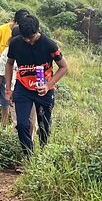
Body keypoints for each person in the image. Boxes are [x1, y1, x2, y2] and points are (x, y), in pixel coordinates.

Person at [4, 14, 68, 155]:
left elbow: (64, 67)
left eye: (31, 38)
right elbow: (9, 64)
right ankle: (29, 156)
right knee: (21, 125)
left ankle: (44, 154)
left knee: (44, 125)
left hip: (44, 90)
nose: (28, 40)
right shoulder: (15, 43)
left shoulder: (49, 44)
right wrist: (8, 89)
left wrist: (48, 85)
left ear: (37, 31)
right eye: (25, 38)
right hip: (23, 88)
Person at [0, 10, 29, 130]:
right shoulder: (3, 29)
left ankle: (3, 127)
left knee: (6, 99)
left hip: (11, 71)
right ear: (15, 21)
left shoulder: (23, 34)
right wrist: (1, 55)